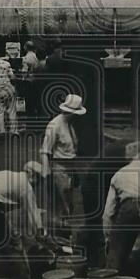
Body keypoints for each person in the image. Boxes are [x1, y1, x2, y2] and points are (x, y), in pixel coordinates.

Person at [40, 93, 84, 240]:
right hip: (59, 166)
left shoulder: (71, 124)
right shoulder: (55, 125)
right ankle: (59, 235)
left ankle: (64, 233)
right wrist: (47, 174)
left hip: (71, 166)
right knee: (61, 204)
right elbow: (45, 151)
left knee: (69, 202)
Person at [103, 141, 140, 275]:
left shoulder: (119, 174)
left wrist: (108, 237)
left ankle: (111, 277)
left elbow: (108, 212)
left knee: (117, 249)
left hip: (129, 207)